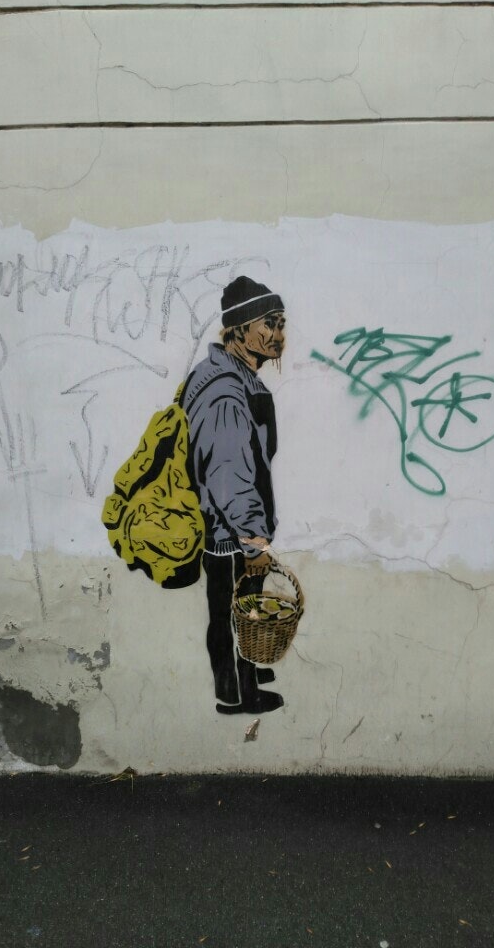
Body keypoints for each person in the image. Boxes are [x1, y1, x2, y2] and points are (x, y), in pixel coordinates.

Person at [182, 276, 286, 714]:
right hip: (229, 531)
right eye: (269, 324)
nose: (279, 334)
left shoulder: (230, 377)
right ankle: (239, 696)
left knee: (233, 610)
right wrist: (254, 541)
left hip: (225, 526)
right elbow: (230, 475)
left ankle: (239, 683)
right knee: (237, 612)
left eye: (282, 324)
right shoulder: (226, 390)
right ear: (240, 330)